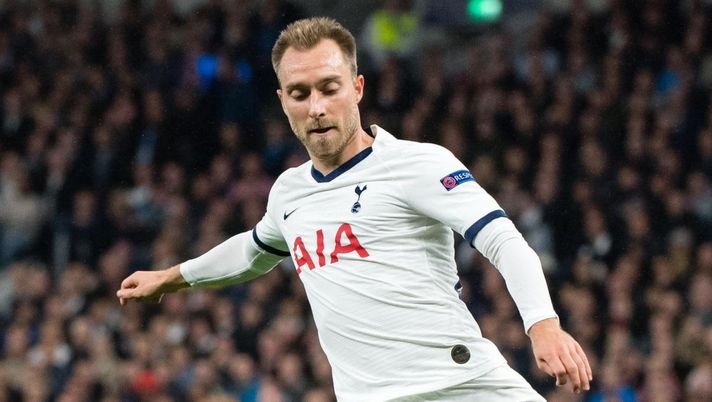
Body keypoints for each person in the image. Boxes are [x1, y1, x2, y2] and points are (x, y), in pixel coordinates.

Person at [117, 17, 592, 401]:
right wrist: (171, 277)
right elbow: (252, 252)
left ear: (358, 88)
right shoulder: (288, 193)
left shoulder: (417, 164)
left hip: (459, 387)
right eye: (300, 93)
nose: (317, 107)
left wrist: (543, 325)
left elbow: (503, 240)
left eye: (330, 88)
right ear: (282, 101)